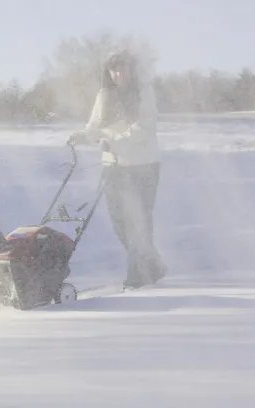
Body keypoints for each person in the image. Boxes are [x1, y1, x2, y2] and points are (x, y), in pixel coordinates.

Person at [68, 49, 167, 289]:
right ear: (108, 72)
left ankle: (137, 277)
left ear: (132, 70)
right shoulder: (104, 96)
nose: (118, 73)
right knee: (119, 223)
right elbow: (94, 126)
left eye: (123, 68)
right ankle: (152, 264)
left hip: (143, 166)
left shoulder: (144, 93)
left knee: (138, 221)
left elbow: (144, 128)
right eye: (114, 69)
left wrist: (115, 142)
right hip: (113, 166)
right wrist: (81, 136)